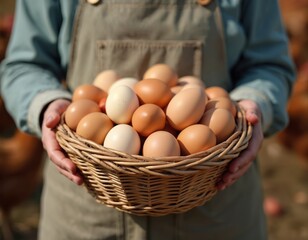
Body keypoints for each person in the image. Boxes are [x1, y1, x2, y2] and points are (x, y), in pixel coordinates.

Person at [0, 0, 295, 239]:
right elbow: (24, 64)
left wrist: (255, 105)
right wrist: (48, 105)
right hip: (87, 206)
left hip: (215, 202)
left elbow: (270, 65)